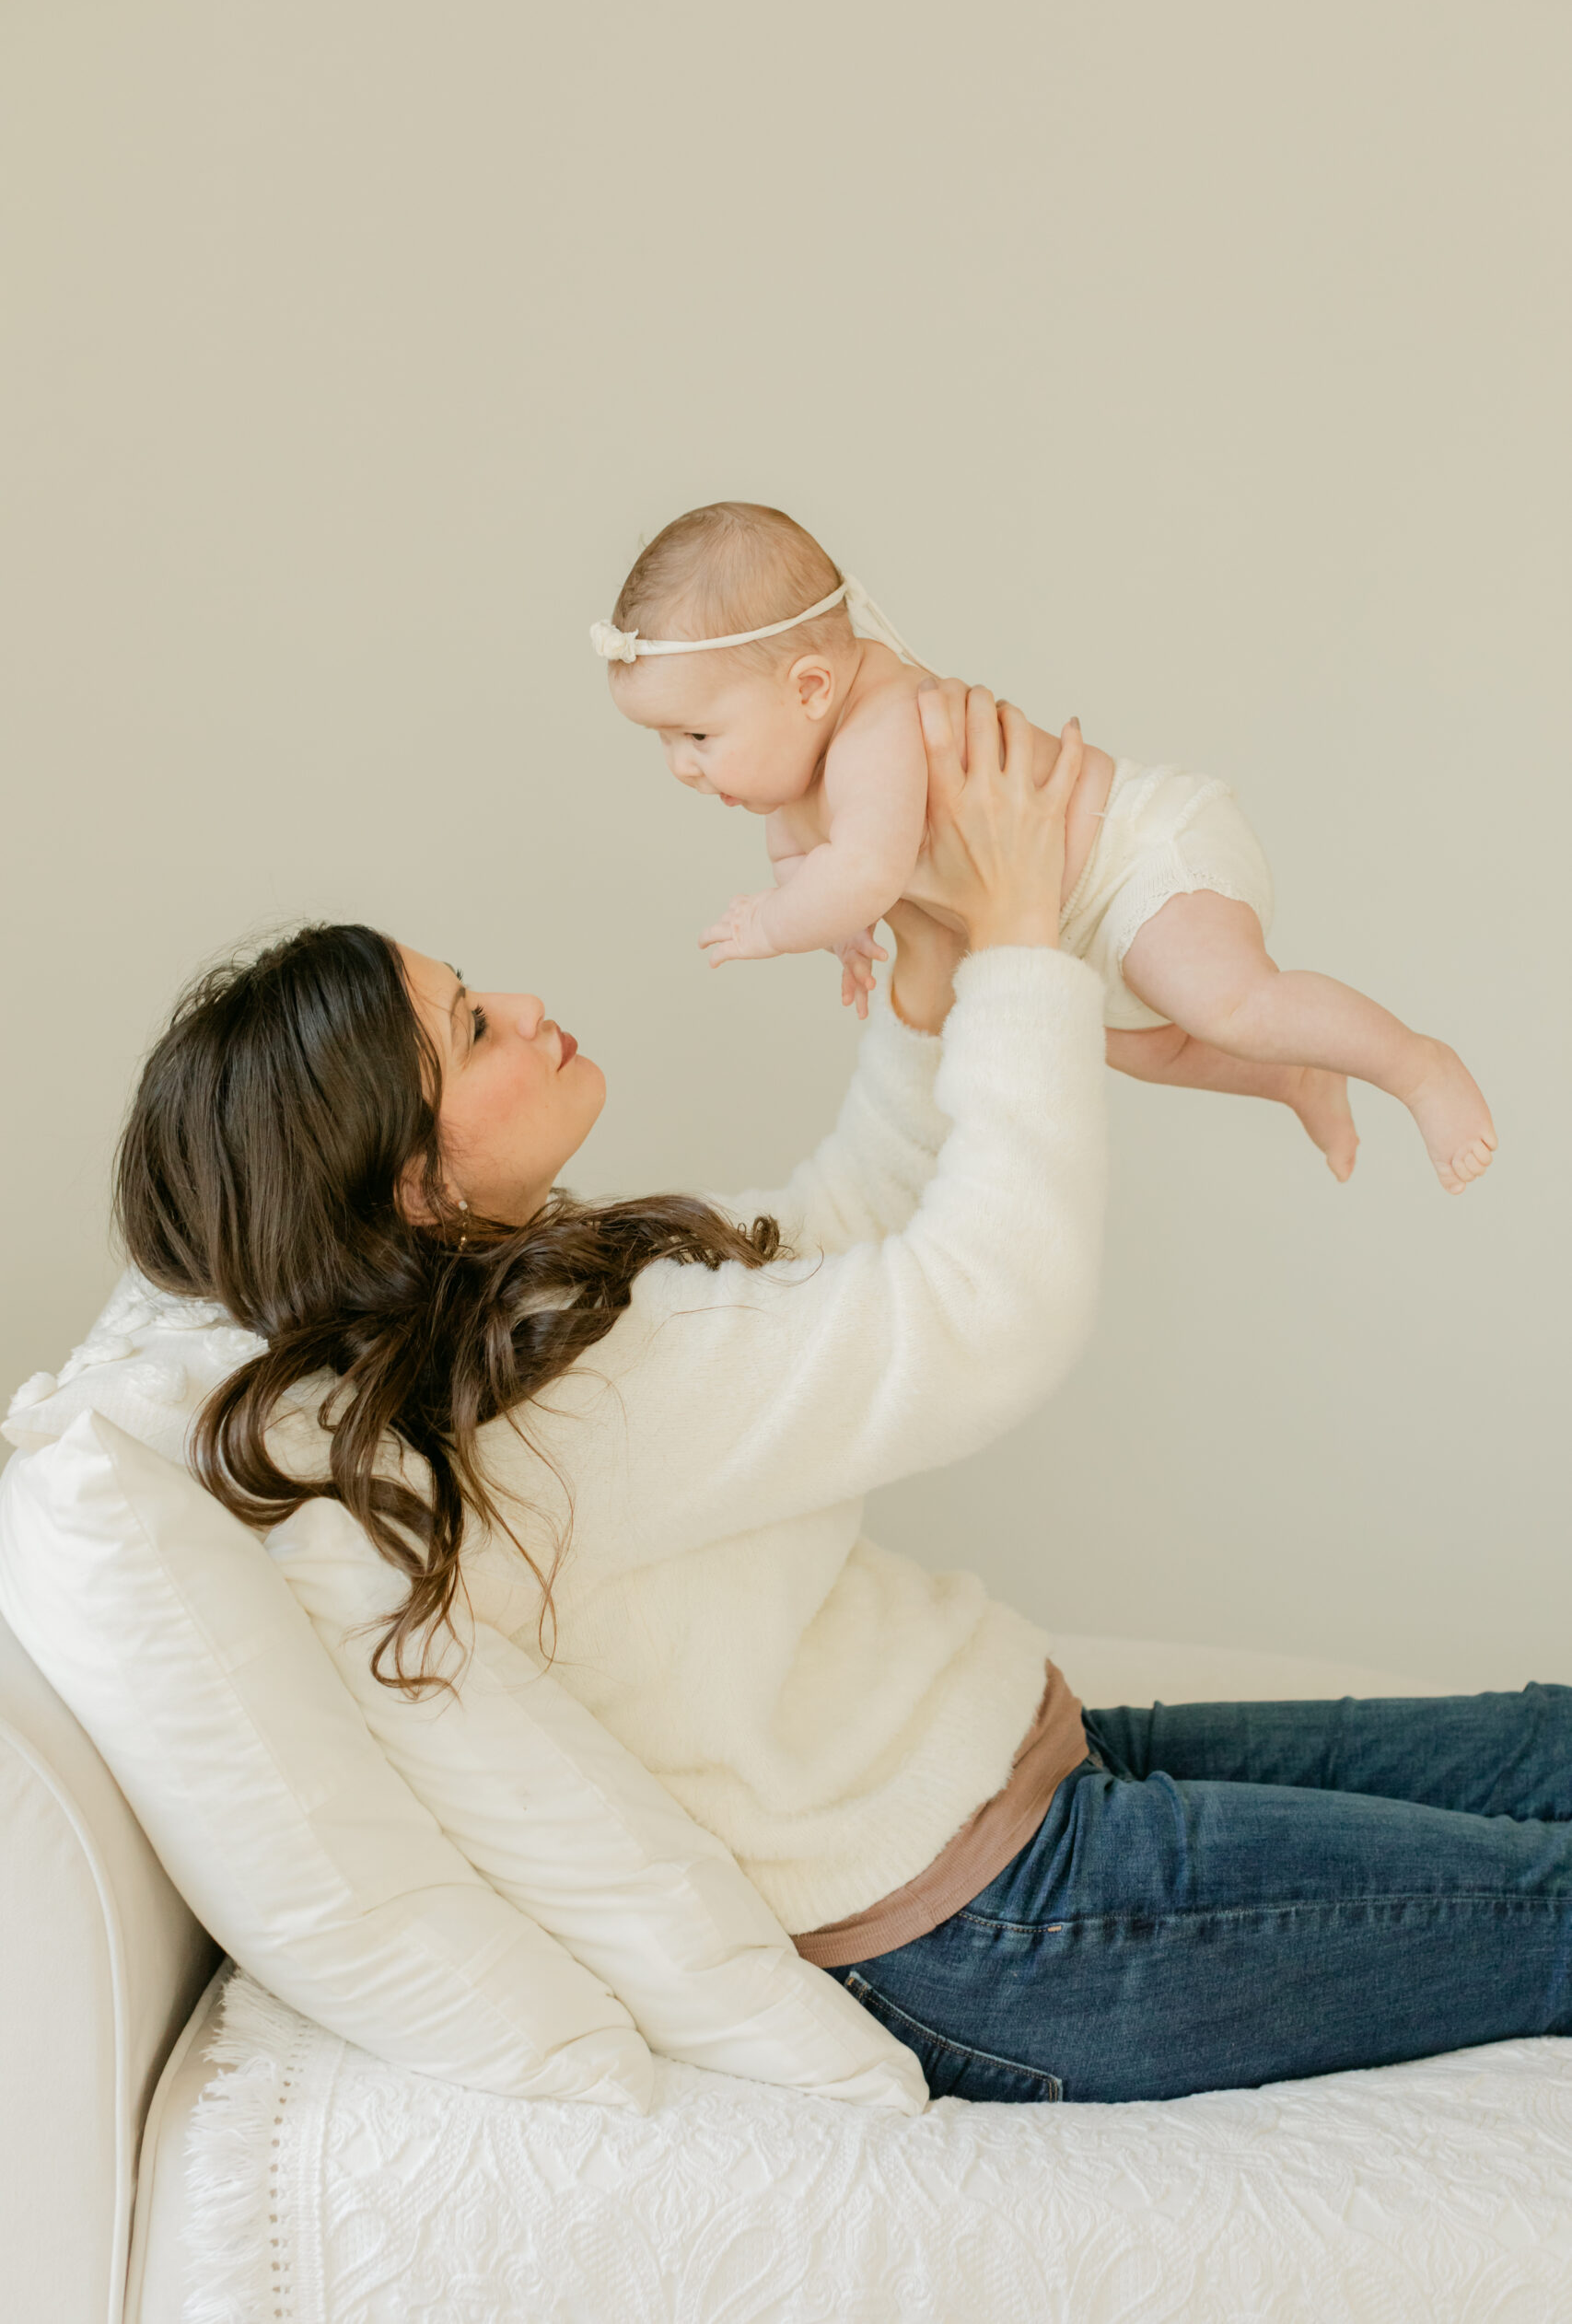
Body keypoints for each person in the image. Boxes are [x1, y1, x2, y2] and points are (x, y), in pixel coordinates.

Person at [114, 680, 1567, 2105]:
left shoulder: (517, 1326)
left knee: (1541, 1744)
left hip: (1011, 1779)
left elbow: (829, 1242)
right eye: (472, 1028)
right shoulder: (557, 1410)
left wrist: (932, 989)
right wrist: (1016, 956)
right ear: (412, 1185)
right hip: (992, 1929)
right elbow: (978, 1314)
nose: (524, 1001)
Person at [594, 501, 1496, 1194]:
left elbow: (861, 870)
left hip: (1137, 854)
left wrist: (777, 926)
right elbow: (815, 868)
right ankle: (1298, 1071)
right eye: (662, 743)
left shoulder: (880, 726)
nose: (681, 767)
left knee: (1223, 1002)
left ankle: (1419, 1066)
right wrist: (840, 931)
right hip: (1072, 921)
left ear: (812, 685)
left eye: (698, 736)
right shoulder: (792, 786)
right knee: (1143, 1046)